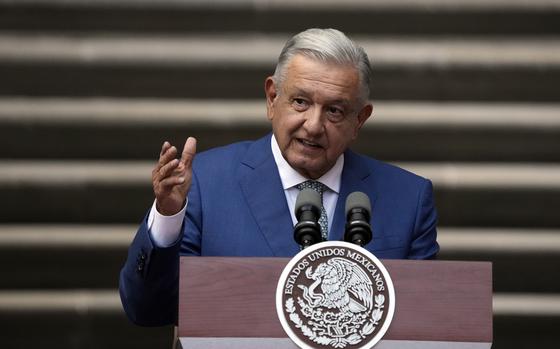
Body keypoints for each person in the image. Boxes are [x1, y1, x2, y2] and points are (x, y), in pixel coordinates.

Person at [119, 28, 439, 326]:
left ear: (360, 119)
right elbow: (147, 309)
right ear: (272, 98)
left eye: (335, 111)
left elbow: (426, 323)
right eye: (300, 102)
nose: (314, 125)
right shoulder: (206, 182)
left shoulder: (408, 199)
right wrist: (168, 216)